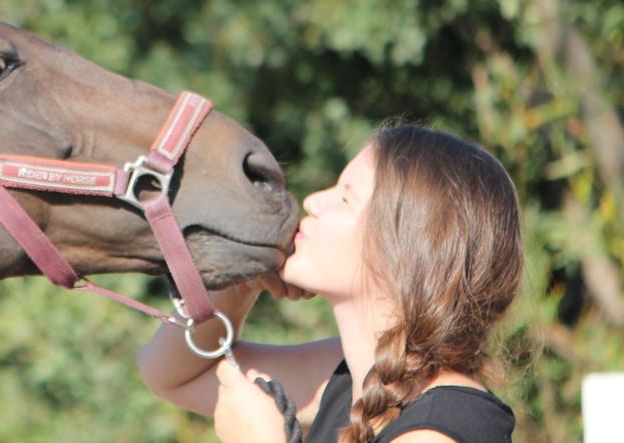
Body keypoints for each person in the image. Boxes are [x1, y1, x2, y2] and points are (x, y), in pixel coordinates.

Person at [137, 124, 524, 443]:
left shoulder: (440, 428)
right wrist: (242, 284)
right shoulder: (348, 381)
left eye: (345, 197)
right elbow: (172, 375)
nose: (314, 202)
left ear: (408, 246)